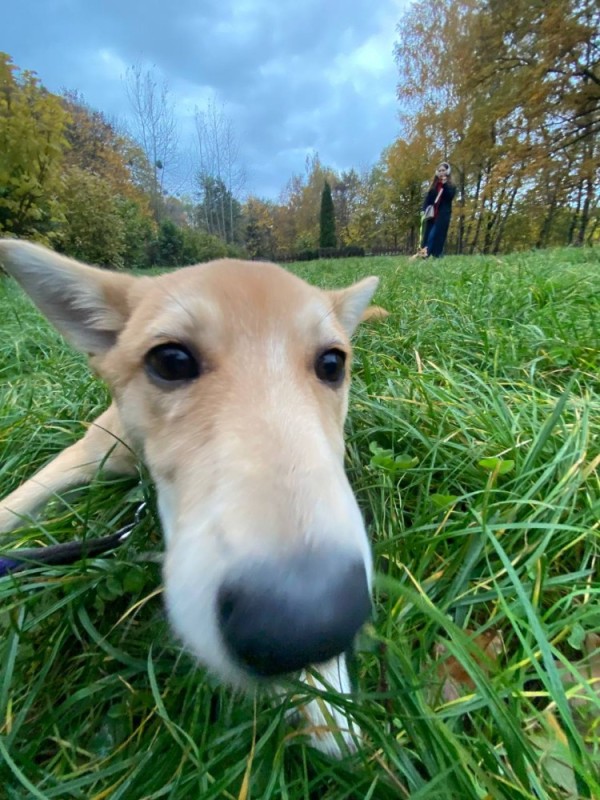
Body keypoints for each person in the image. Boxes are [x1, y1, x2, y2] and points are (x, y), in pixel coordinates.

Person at [418, 162, 456, 258]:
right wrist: (423, 209)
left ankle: (433, 255)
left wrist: (444, 185)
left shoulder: (451, 185)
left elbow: (449, 197)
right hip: (432, 216)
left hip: (442, 216)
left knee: (436, 236)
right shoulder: (434, 186)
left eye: (443, 170)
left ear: (447, 171)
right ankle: (425, 255)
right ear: (436, 172)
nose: (441, 172)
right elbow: (428, 199)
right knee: (427, 236)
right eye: (439, 171)